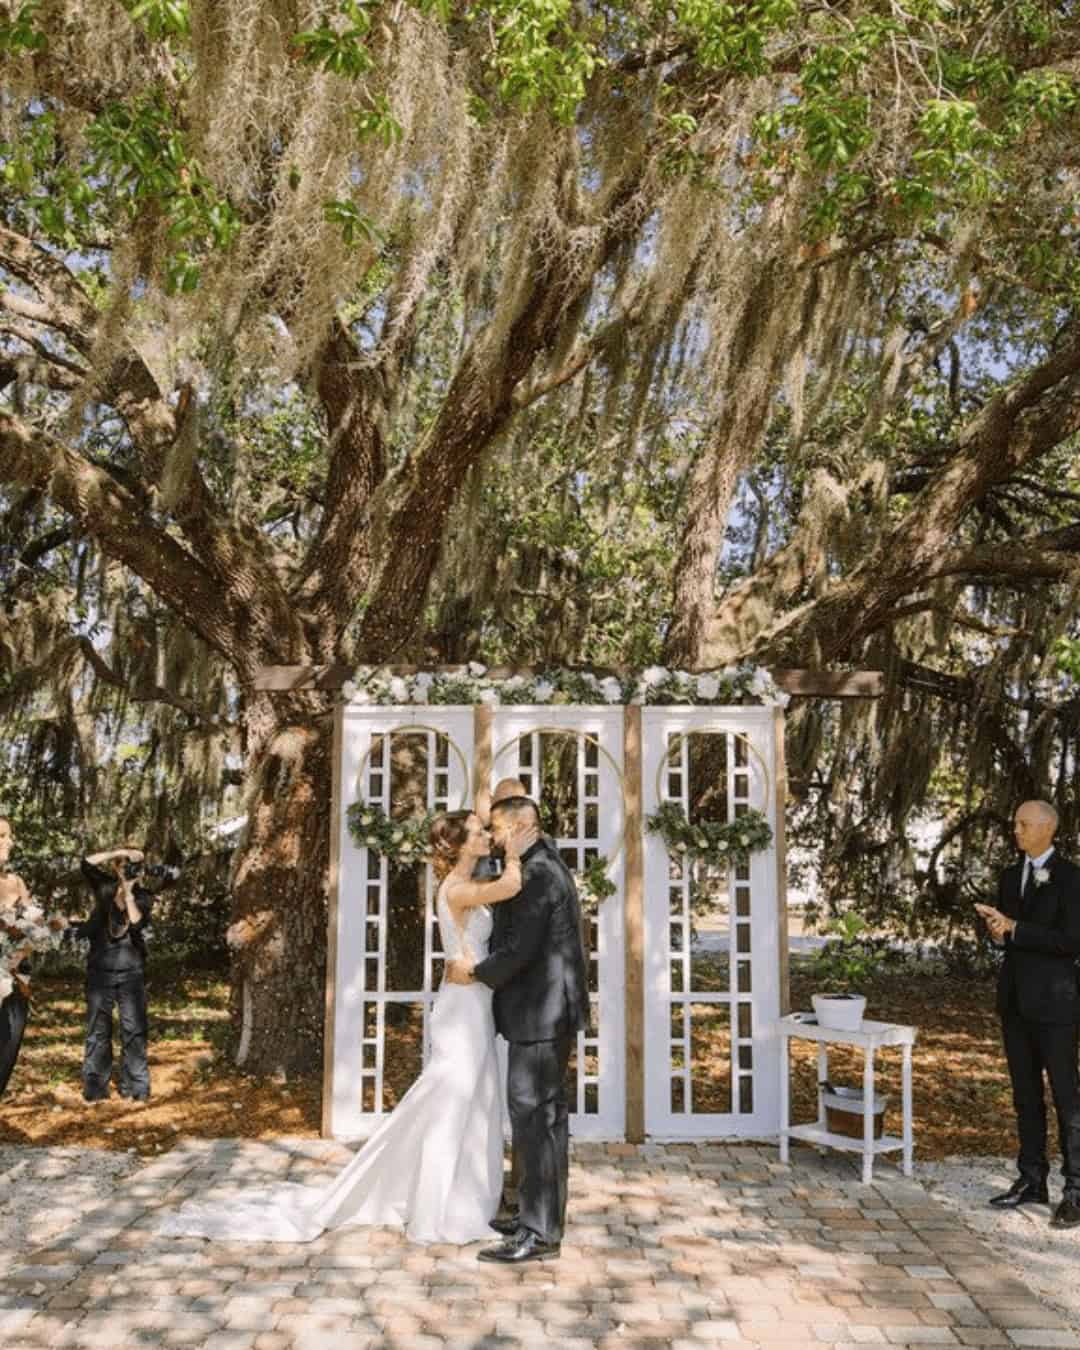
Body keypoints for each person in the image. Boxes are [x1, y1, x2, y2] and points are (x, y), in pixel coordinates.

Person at [156, 809, 537, 1245]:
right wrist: (515, 848)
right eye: (479, 832)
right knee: (451, 1100)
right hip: (462, 1006)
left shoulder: (468, 884)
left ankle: (469, 1198)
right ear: (458, 845)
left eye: (486, 830)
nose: (488, 835)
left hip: (475, 1003)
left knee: (475, 1099)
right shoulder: (457, 887)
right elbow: (512, 885)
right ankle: (439, 1210)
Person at [446, 794, 590, 1264]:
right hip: (541, 1012)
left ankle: (540, 1233)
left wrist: (475, 974)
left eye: (497, 830)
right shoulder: (535, 865)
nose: (493, 839)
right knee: (540, 1120)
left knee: (536, 1119)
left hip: (542, 1014)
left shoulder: (539, 873)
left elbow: (520, 949)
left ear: (518, 827)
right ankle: (536, 1214)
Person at [975, 800, 1080, 1228]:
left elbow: (1071, 940)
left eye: (1022, 823)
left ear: (1046, 828)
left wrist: (1016, 928)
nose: (1015, 829)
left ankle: (1075, 1190)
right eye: (1015, 822)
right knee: (1025, 1097)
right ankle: (1031, 1179)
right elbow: (1007, 941)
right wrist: (998, 934)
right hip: (1015, 1003)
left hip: (1056, 1005)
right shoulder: (1007, 875)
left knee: (1067, 1098)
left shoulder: (1072, 878)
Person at [71, 846, 155, 1102]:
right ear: (116, 867)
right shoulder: (105, 888)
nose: (128, 870)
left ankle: (137, 1088)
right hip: (100, 970)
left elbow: (138, 922)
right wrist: (118, 852)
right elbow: (85, 862)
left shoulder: (144, 896)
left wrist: (129, 892)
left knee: (134, 1029)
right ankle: (96, 1089)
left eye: (133, 866)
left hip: (131, 972)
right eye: (123, 865)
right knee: (97, 1030)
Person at [0, 816, 34, 1096]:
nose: (9, 841)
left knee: (5, 1054)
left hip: (15, 983)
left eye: (9, 835)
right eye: (1, 836)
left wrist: (19, 955)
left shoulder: (17, 882)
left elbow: (36, 931)